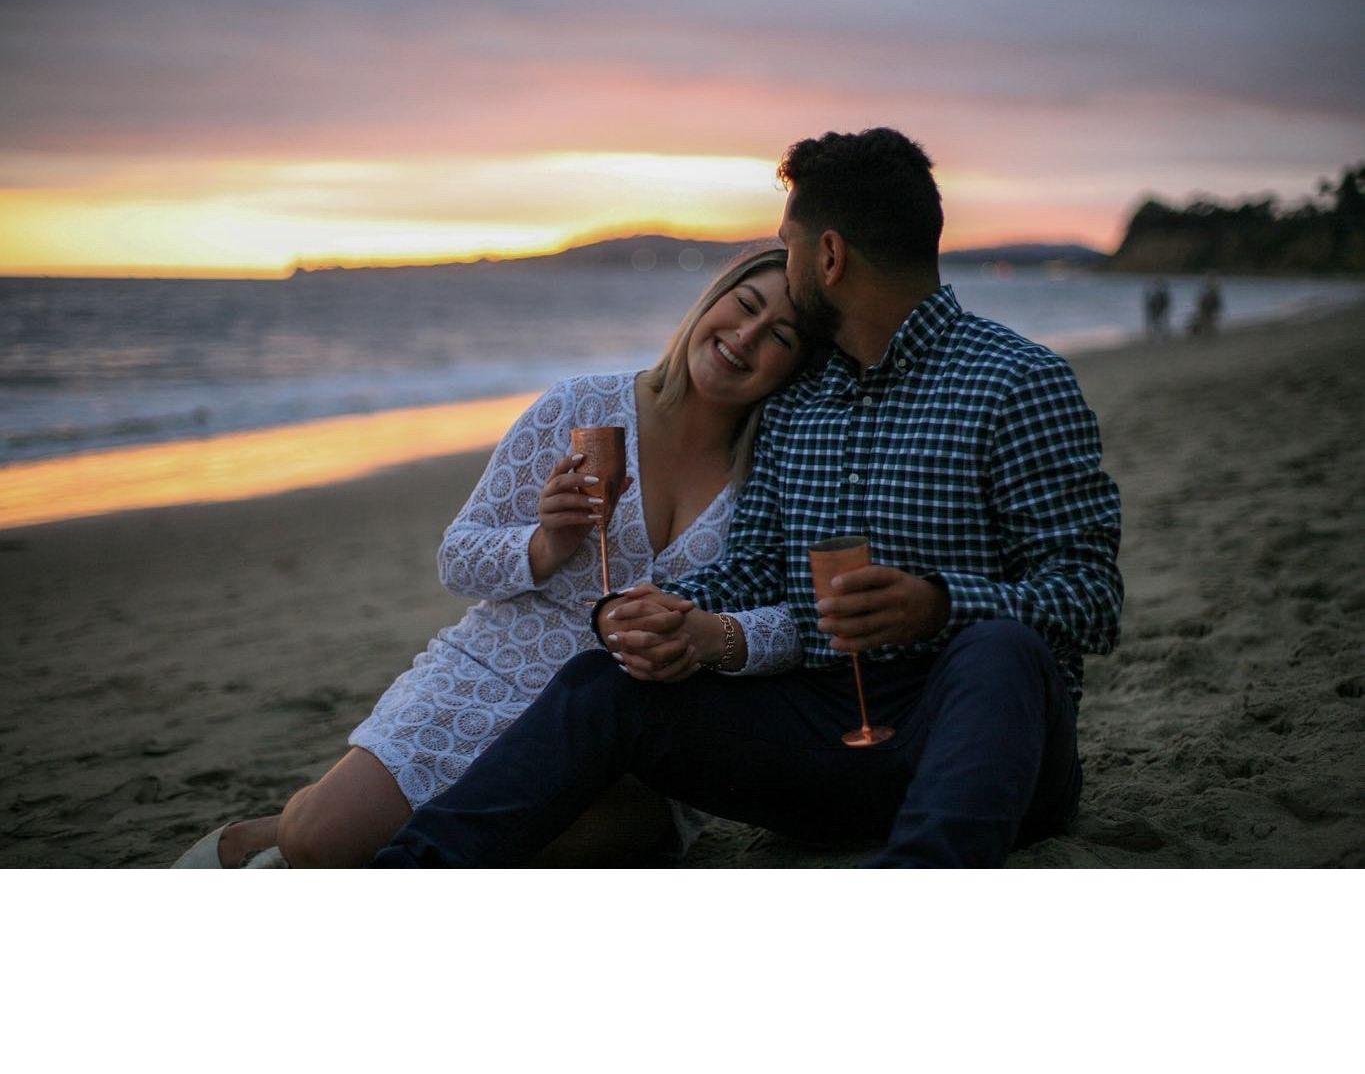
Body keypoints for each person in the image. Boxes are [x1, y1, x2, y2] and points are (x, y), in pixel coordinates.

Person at [374, 127, 1124, 870]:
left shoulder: (1018, 383)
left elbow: (1092, 597)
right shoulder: (799, 402)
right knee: (599, 680)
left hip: (983, 745)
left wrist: (939, 604)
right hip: (822, 742)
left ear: (825, 256)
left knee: (999, 648)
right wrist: (669, 612)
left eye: (786, 243)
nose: (782, 260)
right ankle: (410, 870)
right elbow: (755, 567)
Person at [172, 246, 807, 867]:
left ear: (795, 366)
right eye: (745, 305)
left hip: (634, 725)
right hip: (496, 673)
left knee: (568, 844)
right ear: (709, 304)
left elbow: (797, 621)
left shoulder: (775, 468)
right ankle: (262, 836)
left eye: (779, 334)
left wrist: (709, 637)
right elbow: (458, 558)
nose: (747, 336)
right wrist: (544, 543)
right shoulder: (580, 408)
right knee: (321, 841)